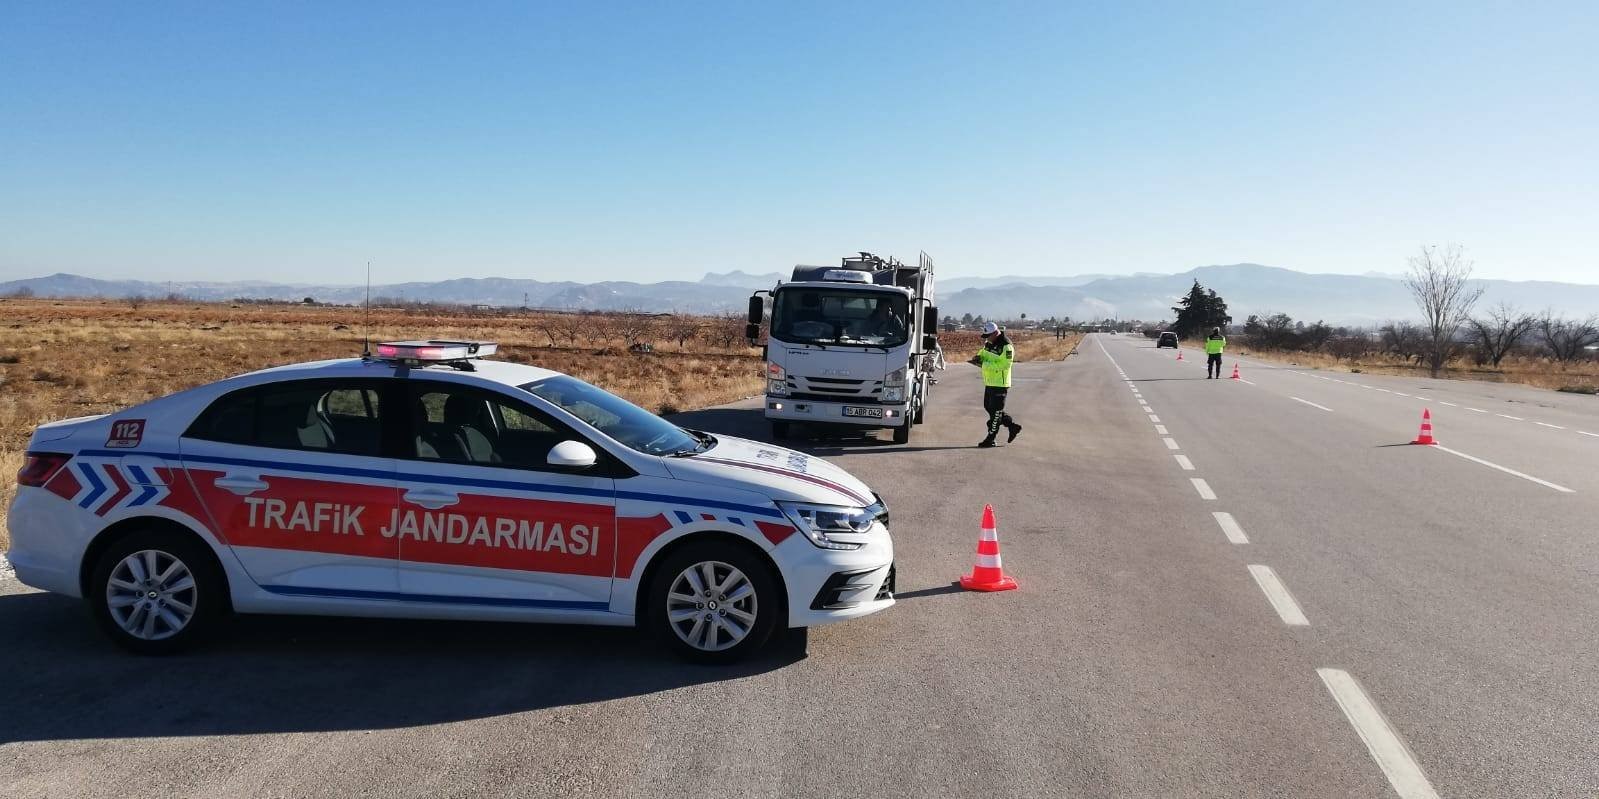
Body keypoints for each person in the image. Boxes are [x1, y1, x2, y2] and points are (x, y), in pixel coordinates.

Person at [968, 322, 1021, 447]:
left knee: (996, 413)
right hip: (989, 382)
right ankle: (1012, 426)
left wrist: (984, 365)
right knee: (989, 408)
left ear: (995, 333)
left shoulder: (1007, 347)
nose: (986, 338)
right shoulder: (989, 343)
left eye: (988, 335)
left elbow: (1005, 365)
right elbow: (984, 352)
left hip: (1000, 384)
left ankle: (990, 439)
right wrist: (978, 357)